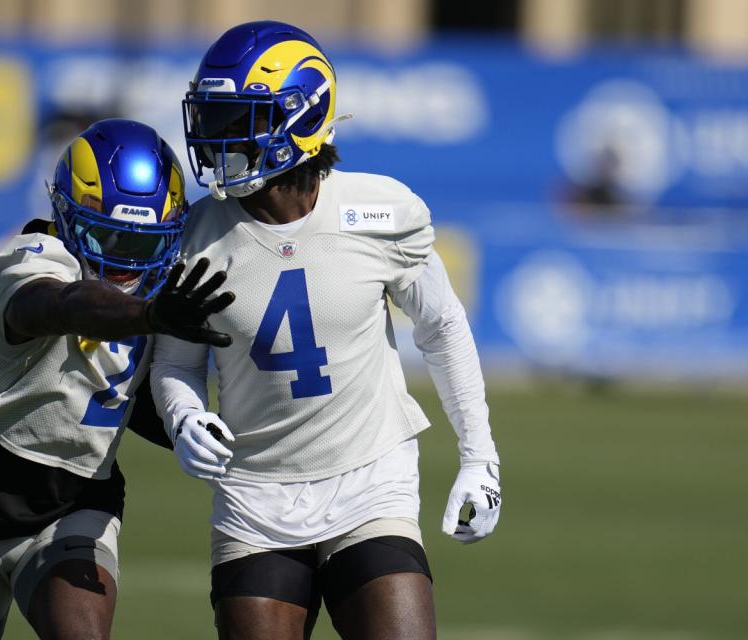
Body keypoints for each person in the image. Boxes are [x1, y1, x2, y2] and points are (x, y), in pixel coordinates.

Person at [151, 21, 502, 640]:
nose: (216, 138)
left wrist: (480, 457)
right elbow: (175, 364)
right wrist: (182, 415)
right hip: (256, 492)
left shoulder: (380, 212)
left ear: (301, 118)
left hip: (371, 476)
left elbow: (442, 326)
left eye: (240, 119)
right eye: (213, 117)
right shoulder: (195, 236)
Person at [0, 118, 235, 639]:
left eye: (143, 244)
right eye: (108, 236)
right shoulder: (34, 258)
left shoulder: (163, 292)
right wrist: (147, 317)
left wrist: (198, 427)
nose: (125, 263)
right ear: (65, 217)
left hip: (78, 501)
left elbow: (129, 396)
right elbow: (57, 305)